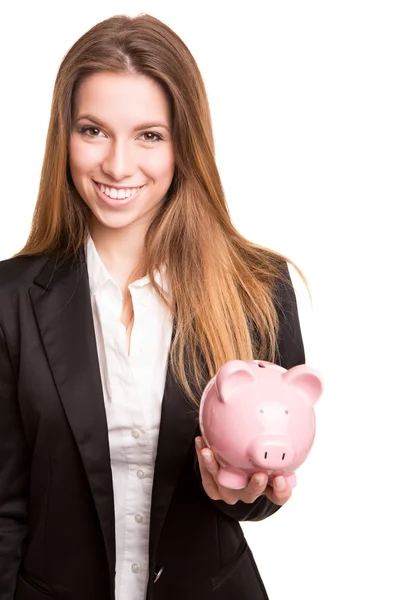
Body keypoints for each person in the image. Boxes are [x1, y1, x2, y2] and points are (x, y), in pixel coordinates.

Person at [0, 13, 306, 600]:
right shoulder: (8, 302)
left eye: (149, 134)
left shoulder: (258, 290)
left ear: (182, 144)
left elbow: (263, 486)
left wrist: (246, 492)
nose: (117, 165)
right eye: (92, 130)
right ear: (63, 136)